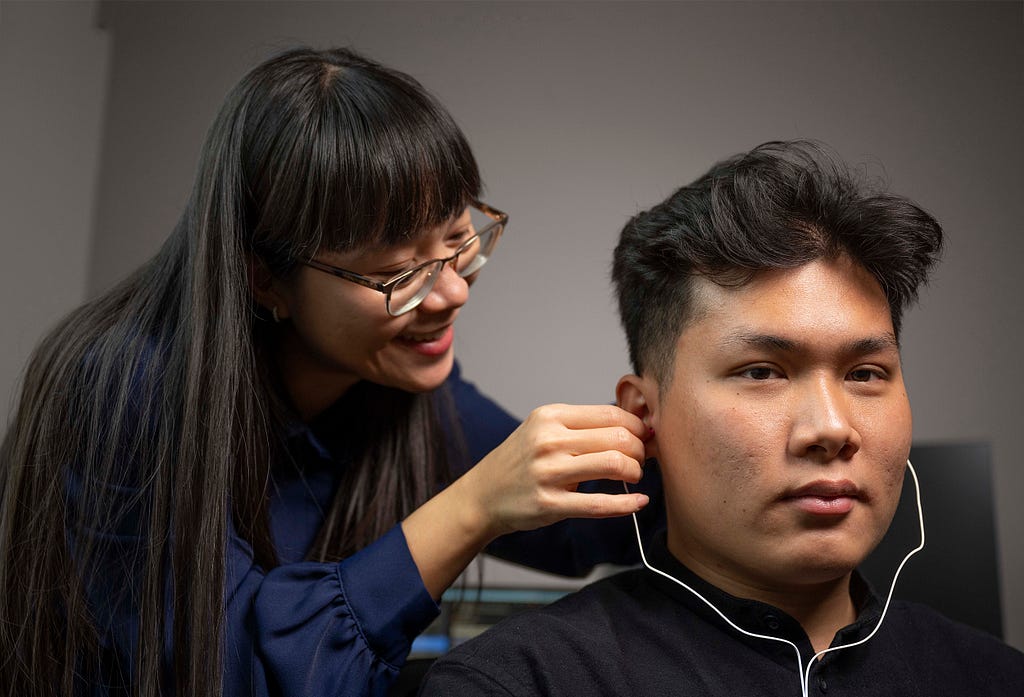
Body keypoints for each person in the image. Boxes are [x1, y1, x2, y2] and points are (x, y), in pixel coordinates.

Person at [0, 47, 663, 697]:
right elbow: (237, 671)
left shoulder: (400, 386)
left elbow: (581, 519)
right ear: (266, 279)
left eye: (459, 240)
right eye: (398, 274)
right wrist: (474, 505)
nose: (452, 293)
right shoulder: (120, 392)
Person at [419, 141, 1024, 696]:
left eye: (865, 373)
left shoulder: (995, 676)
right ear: (642, 416)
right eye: (762, 371)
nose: (833, 429)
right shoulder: (518, 683)